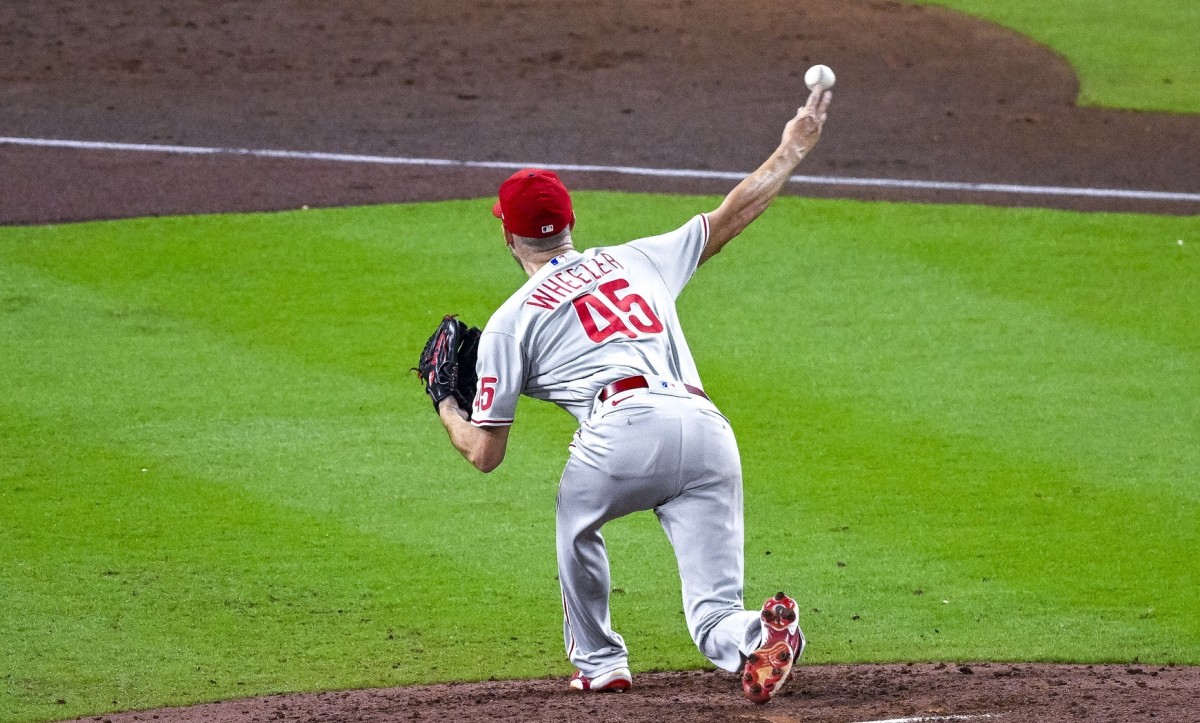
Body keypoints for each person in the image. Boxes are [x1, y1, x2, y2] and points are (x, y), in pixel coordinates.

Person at [432, 85, 832, 703]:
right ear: (570, 224)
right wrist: (790, 148)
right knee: (711, 610)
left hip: (620, 432)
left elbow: (486, 453)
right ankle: (755, 634)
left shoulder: (512, 320)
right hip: (705, 430)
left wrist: (448, 406)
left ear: (509, 240)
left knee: (576, 524)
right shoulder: (638, 259)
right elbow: (730, 215)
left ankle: (599, 661)